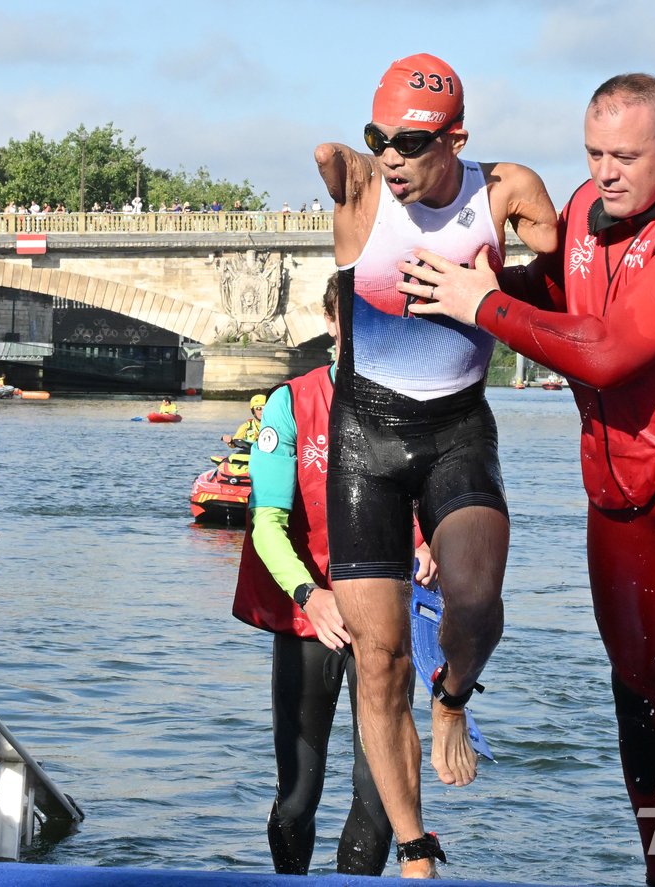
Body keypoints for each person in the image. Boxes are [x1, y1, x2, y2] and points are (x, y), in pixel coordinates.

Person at [398, 73, 655, 886]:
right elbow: (549, 298)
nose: (606, 172)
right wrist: (458, 282)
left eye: (626, 156)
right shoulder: (582, 209)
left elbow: (610, 350)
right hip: (620, 484)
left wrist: (480, 306)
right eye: (593, 153)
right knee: (641, 684)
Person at [313, 52, 557, 877]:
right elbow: (336, 160)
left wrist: (502, 281)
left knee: (477, 600)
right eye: (379, 137)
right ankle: (414, 848)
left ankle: (451, 696)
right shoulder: (362, 188)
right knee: (377, 661)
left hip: (457, 429)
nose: (391, 157)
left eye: (411, 144)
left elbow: (568, 282)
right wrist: (357, 157)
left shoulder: (505, 192)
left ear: (457, 138)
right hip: (365, 441)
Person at [232, 274, 435, 875]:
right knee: (298, 798)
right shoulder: (289, 405)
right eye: (352, 319)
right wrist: (309, 596)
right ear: (331, 323)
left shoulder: (416, 406)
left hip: (384, 616)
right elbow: (265, 524)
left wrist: (434, 546)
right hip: (310, 619)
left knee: (377, 799)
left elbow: (437, 502)